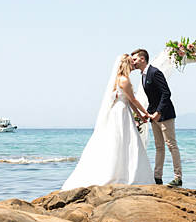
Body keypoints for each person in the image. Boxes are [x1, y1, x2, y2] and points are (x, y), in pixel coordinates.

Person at [61, 54, 152, 189]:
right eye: (131, 63)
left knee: (123, 141)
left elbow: (129, 101)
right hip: (121, 112)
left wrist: (139, 115)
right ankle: (122, 174)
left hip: (122, 109)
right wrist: (146, 113)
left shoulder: (118, 79)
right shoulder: (124, 80)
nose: (134, 65)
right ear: (127, 65)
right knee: (125, 141)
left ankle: (122, 171)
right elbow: (133, 100)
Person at [130, 48, 182, 186]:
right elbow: (152, 98)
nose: (133, 62)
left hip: (165, 114)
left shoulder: (155, 72)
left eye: (134, 59)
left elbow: (166, 93)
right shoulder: (143, 75)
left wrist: (158, 112)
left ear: (142, 59)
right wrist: (148, 114)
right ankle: (157, 177)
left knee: (171, 145)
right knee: (159, 147)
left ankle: (178, 177)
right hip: (154, 116)